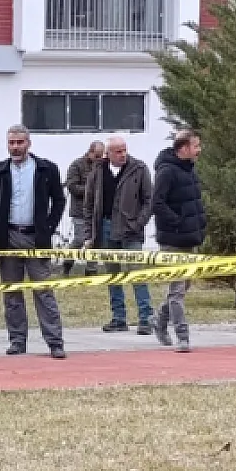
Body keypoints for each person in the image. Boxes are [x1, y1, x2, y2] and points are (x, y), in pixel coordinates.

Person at [0, 125, 67, 358]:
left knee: (43, 291)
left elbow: (59, 201)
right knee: (12, 293)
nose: (15, 147)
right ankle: (17, 341)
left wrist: (48, 227)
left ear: (29, 143)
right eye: (12, 143)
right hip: (8, 238)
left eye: (20, 142)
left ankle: (55, 342)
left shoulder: (46, 169)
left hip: (36, 238)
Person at [81, 135, 155, 335]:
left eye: (124, 150)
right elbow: (88, 205)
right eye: (118, 151)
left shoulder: (139, 169)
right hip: (105, 228)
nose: (123, 154)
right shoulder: (97, 171)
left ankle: (146, 318)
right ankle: (118, 318)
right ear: (108, 154)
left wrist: (138, 224)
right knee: (113, 275)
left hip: (131, 230)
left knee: (137, 273)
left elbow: (149, 201)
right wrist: (89, 234)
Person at [151, 130, 206, 353]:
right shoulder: (166, 171)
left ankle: (159, 319)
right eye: (195, 146)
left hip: (190, 238)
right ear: (183, 148)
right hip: (172, 239)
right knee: (177, 290)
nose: (199, 150)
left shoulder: (189, 170)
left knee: (184, 286)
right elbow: (157, 203)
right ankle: (182, 336)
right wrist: (177, 222)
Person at [63, 141, 104, 277]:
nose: (99, 159)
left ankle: (91, 270)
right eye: (97, 156)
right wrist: (92, 190)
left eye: (101, 156)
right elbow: (72, 186)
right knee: (80, 239)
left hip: (98, 212)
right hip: (80, 211)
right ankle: (67, 262)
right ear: (90, 152)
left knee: (95, 241)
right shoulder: (76, 165)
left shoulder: (103, 167)